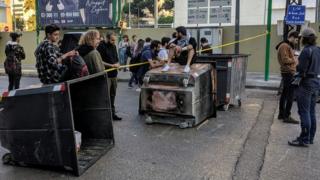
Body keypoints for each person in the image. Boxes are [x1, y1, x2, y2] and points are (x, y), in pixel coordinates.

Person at [288, 28, 320, 147]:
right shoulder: (318, 50)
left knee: (304, 112)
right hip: (316, 83)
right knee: (311, 111)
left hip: (306, 84)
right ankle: (310, 138)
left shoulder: (306, 51)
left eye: (301, 37)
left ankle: (304, 139)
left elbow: (300, 69)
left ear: (304, 39)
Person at [275, 31, 300, 124]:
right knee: (290, 95)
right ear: (292, 37)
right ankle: (287, 116)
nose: (297, 42)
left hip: (288, 72)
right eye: (296, 40)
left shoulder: (286, 45)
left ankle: (282, 114)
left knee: (285, 94)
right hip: (288, 73)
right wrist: (295, 59)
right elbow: (285, 60)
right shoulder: (284, 46)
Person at [97, 32, 122, 121]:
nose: (113, 42)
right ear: (107, 39)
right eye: (112, 40)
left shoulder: (114, 46)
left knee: (112, 95)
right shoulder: (101, 46)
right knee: (105, 95)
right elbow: (100, 61)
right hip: (106, 75)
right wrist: (111, 66)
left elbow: (116, 59)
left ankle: (112, 113)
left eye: (114, 40)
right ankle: (104, 115)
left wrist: (118, 64)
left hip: (114, 74)